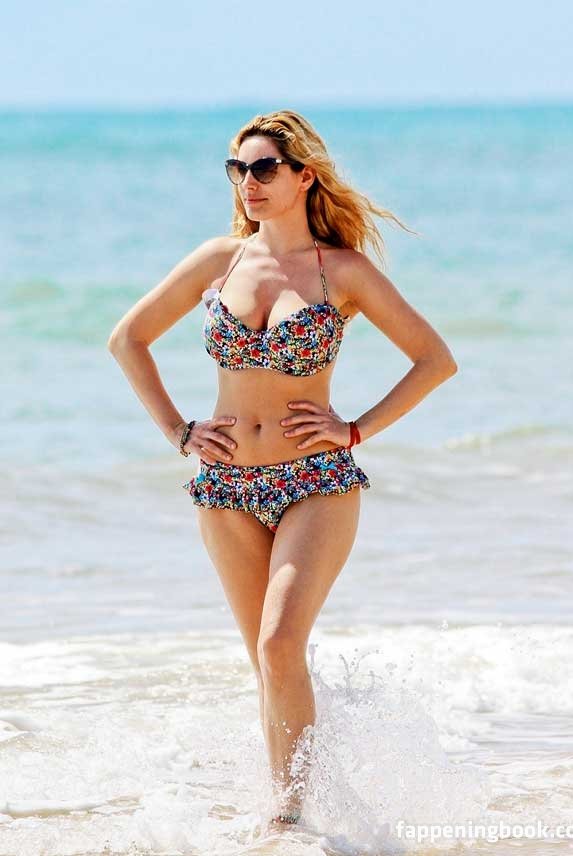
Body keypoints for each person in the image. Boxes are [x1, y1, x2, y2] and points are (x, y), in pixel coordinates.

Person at [107, 109, 458, 833]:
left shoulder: (342, 271)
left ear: (304, 176)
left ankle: (292, 813)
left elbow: (435, 360)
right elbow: (128, 339)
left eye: (264, 168)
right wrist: (179, 431)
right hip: (225, 486)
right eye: (238, 169)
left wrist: (355, 429)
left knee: (279, 644)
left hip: (315, 483)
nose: (249, 182)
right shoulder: (220, 261)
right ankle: (293, 816)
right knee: (263, 662)